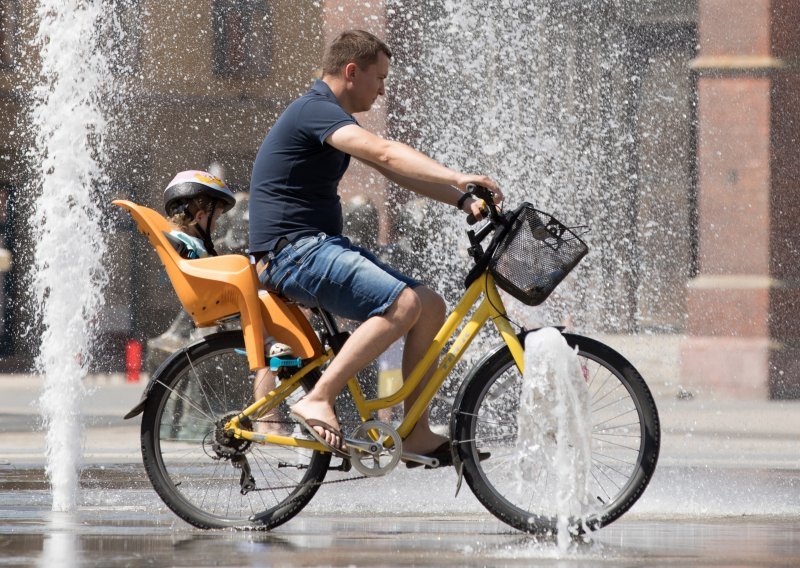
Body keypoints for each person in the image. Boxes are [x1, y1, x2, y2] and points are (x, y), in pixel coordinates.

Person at [248, 30, 502, 464]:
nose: (383, 89)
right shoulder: (315, 110)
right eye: (379, 78)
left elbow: (396, 173)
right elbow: (385, 153)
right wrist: (459, 175)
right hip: (291, 253)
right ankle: (318, 397)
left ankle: (416, 432)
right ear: (352, 72)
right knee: (402, 304)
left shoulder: (330, 118)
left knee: (429, 304)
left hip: (314, 248)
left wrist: (460, 199)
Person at [164, 170, 287, 434]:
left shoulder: (185, 240)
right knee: (268, 301)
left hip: (218, 295)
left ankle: (272, 347)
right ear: (200, 217)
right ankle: (271, 344)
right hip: (218, 297)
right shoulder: (188, 243)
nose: (218, 225)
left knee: (268, 293)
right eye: (216, 218)